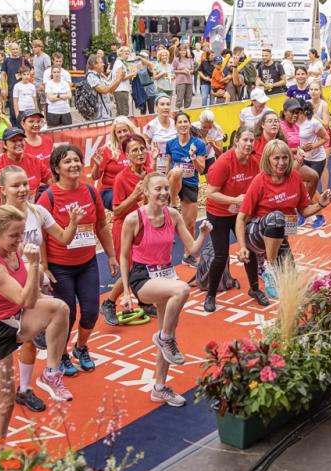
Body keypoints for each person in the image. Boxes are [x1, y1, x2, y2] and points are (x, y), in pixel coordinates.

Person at [0, 205, 74, 436]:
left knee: (59, 308)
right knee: (5, 405)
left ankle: (51, 372)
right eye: (14, 235)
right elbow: (26, 299)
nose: (19, 240)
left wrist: (46, 306)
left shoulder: (13, 250)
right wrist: (34, 265)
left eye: (22, 233)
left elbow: (31, 296)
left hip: (16, 318)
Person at [119, 173, 212, 407]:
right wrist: (126, 292)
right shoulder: (134, 219)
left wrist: (203, 233)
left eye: (166, 189)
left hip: (166, 275)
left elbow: (192, 249)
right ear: (146, 192)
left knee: (168, 333)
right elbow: (123, 256)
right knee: (181, 291)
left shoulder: (173, 215)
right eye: (157, 189)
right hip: (143, 278)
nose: (163, 193)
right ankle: (163, 338)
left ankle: (159, 387)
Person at [38, 145, 118, 376]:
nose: (73, 165)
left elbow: (102, 225)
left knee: (92, 311)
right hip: (60, 266)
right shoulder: (48, 197)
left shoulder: (90, 192)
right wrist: (44, 267)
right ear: (56, 168)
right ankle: (61, 353)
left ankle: (81, 347)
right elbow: (42, 235)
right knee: (68, 314)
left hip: (87, 262)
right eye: (66, 161)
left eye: (76, 160)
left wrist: (111, 255)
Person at [236, 139, 331, 295]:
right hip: (256, 234)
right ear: (268, 160)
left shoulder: (295, 177)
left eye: (285, 158)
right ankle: (270, 268)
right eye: (276, 158)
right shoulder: (260, 180)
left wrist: (321, 204)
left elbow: (304, 211)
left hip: (281, 232)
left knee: (291, 283)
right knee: (278, 217)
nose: (281, 162)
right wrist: (242, 246)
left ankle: (274, 270)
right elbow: (241, 218)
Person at [205, 127, 267, 311]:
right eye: (245, 140)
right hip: (219, 213)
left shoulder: (255, 161)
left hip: (241, 213)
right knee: (221, 254)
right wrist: (235, 200)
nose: (248, 144)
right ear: (236, 142)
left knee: (250, 249)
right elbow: (210, 193)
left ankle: (255, 289)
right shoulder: (223, 163)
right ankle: (211, 295)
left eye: (251, 140)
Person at [99, 135, 154, 324]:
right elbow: (116, 209)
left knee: (144, 264)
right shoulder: (122, 177)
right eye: (134, 150)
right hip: (124, 227)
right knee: (129, 269)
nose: (139, 153)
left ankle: (144, 300)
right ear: (127, 155)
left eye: (141, 149)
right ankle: (109, 302)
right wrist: (135, 195)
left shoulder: (150, 173)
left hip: (144, 225)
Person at [165, 112, 206, 265]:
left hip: (190, 183)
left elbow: (201, 169)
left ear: (189, 124)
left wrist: (193, 158)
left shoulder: (198, 144)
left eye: (185, 122)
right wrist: (165, 180)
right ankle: (172, 203)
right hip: (174, 181)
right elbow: (169, 163)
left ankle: (188, 255)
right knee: (177, 171)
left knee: (189, 223)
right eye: (179, 122)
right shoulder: (170, 144)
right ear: (175, 125)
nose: (182, 124)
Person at [0, 127, 53, 199]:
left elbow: (52, 181)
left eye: (21, 140)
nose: (19, 143)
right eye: (14, 141)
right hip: (7, 209)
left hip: (30, 208)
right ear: (4, 144)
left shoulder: (34, 161)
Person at [92, 117, 140, 210]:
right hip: (110, 189)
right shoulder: (107, 149)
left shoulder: (138, 147)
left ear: (130, 130)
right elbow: (95, 177)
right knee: (126, 203)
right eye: (119, 132)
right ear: (115, 134)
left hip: (133, 187)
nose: (123, 134)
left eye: (125, 130)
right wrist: (97, 166)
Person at [298, 87, 330, 229]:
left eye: (296, 110)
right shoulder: (291, 125)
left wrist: (313, 146)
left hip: (317, 159)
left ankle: (320, 216)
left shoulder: (313, 123)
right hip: (301, 158)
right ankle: (303, 214)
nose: (294, 114)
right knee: (300, 188)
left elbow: (326, 138)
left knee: (311, 188)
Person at [144, 96, 178, 174]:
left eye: (168, 104)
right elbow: (145, 146)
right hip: (158, 166)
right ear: (156, 107)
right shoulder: (151, 126)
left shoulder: (175, 123)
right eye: (162, 104)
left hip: (174, 164)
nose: (165, 107)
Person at [1, 43, 31, 127]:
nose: (15, 51)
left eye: (16, 49)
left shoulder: (23, 60)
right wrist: (3, 88)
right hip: (11, 89)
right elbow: (3, 74)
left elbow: (31, 71)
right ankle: (15, 131)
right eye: (13, 49)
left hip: (23, 89)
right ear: (10, 50)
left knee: (23, 110)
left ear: (19, 49)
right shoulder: (7, 60)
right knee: (13, 112)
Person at [194, 109, 225, 173]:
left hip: (208, 156)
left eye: (210, 127)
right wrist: (203, 143)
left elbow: (220, 153)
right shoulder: (194, 127)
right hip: (195, 157)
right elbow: (188, 146)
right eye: (204, 127)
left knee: (211, 180)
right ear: (201, 122)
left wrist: (213, 145)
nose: (207, 130)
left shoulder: (217, 130)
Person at [172, 44, 195, 109]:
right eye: (181, 51)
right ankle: (177, 112)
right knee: (180, 98)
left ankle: (186, 111)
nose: (183, 52)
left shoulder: (190, 59)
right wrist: (182, 71)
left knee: (188, 99)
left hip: (189, 81)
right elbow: (172, 70)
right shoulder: (176, 60)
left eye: (184, 50)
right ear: (179, 51)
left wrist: (189, 71)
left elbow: (192, 70)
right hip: (180, 81)